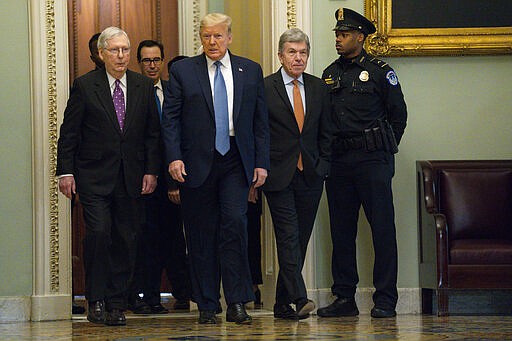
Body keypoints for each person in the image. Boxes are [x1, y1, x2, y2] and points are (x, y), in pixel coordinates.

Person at [161, 12, 270, 325]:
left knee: (235, 225)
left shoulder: (249, 70)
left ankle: (237, 301)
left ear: (229, 37)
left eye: (218, 36)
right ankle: (207, 303)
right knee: (201, 233)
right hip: (196, 163)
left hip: (236, 160)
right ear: (200, 37)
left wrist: (261, 162)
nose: (212, 41)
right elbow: (171, 119)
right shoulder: (183, 71)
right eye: (207, 36)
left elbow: (260, 123)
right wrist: (174, 157)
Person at [56, 26, 161, 326]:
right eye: (114, 50)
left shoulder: (142, 85)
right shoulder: (86, 86)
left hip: (131, 177)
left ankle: (117, 303)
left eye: (125, 50)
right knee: (100, 234)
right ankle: (96, 298)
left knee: (126, 239)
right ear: (101, 54)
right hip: (93, 177)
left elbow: (153, 135)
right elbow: (70, 133)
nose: (121, 55)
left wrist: (151, 170)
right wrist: (65, 172)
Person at [317, 8, 407, 319]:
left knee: (382, 229)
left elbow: (399, 116)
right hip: (340, 161)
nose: (339, 40)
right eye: (337, 35)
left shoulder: (381, 72)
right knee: (341, 232)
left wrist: (382, 151)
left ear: (360, 36)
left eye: (344, 35)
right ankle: (344, 298)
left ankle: (385, 300)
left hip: (372, 161)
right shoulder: (329, 74)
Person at [262, 28, 333, 320]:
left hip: (311, 175)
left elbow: (326, 132)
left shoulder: (319, 88)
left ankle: (281, 304)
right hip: (277, 175)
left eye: (303, 52)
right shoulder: (264, 87)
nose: (298, 58)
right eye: (292, 52)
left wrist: (324, 165)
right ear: (281, 55)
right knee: (288, 236)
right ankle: (300, 297)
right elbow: (259, 132)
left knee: (299, 239)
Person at [127, 42, 191, 314]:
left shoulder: (172, 91)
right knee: (143, 240)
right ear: (139, 63)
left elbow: (176, 135)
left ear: (163, 61)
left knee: (172, 239)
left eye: (156, 60)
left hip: (171, 180)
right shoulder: (132, 90)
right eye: (146, 60)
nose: (151, 65)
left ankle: (180, 293)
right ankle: (144, 296)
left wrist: (175, 182)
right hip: (140, 179)